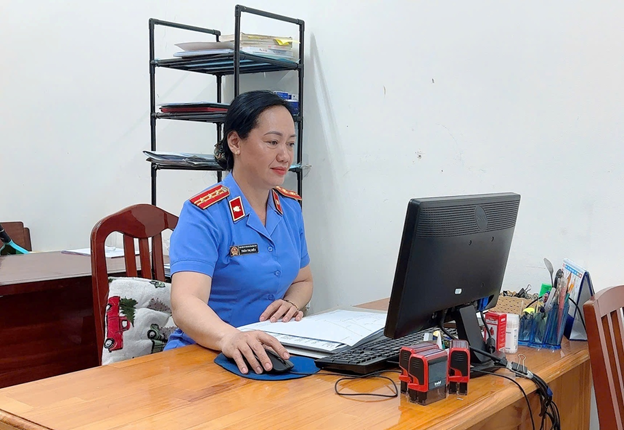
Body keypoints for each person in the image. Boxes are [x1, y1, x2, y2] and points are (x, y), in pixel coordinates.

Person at [165, 90, 313, 375]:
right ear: (235, 142)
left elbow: (303, 279)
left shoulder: (290, 208)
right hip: (204, 355)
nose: (285, 155)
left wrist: (291, 303)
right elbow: (185, 303)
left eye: (290, 143)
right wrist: (229, 337)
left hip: (268, 353)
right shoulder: (204, 213)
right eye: (272, 142)